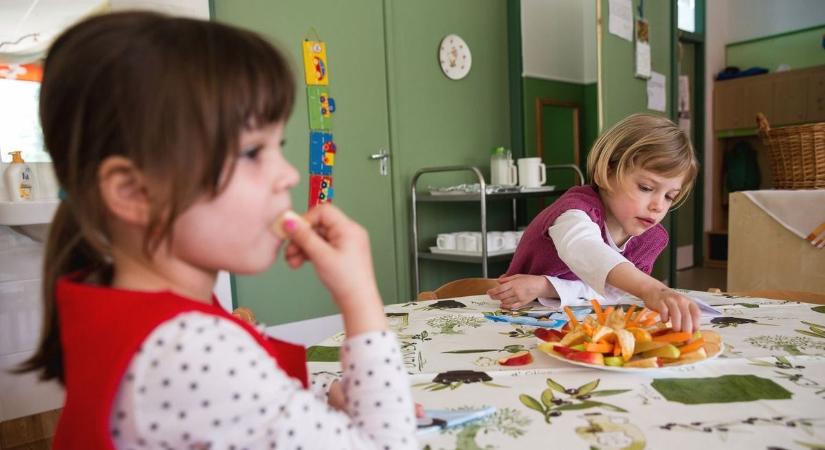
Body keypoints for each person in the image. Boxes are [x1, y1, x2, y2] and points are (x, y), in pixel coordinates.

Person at [18, 11, 416, 449]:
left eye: (277, 147)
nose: (287, 175)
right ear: (133, 191)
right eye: (251, 151)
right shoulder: (189, 350)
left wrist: (318, 404)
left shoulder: (136, 314)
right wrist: (359, 293)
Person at [488, 114, 701, 332]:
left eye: (669, 196)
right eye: (646, 188)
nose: (658, 206)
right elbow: (585, 250)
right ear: (607, 174)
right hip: (520, 317)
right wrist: (652, 289)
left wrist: (546, 286)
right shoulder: (574, 212)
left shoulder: (650, 239)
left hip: (584, 324)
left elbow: (612, 292)